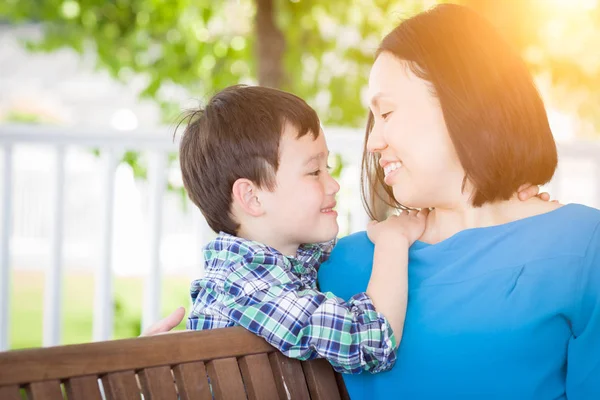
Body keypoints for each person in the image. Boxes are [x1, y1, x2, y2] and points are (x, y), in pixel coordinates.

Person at [316, 4, 600, 399]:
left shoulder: (583, 247)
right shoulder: (330, 268)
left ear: (462, 104)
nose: (372, 143)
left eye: (388, 113)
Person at [175, 84, 429, 374]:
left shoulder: (287, 264)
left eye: (328, 167)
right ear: (252, 197)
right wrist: (392, 243)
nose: (332, 185)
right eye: (314, 172)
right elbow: (370, 344)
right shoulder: (246, 289)